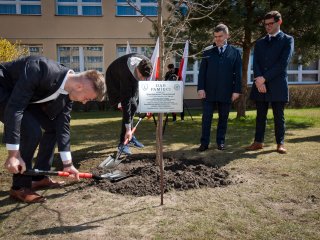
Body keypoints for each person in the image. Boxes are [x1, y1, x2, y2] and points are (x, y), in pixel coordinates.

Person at [0, 55, 106, 203]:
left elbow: (63, 127)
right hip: (3, 89)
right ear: (80, 86)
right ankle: (19, 187)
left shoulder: (68, 93)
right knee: (32, 131)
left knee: (53, 128)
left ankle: (39, 178)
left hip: (24, 97)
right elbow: (15, 107)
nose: (84, 102)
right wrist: (13, 154)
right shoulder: (40, 69)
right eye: (87, 98)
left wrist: (68, 164)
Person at [246, 11, 294, 154]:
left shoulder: (288, 40)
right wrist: (259, 81)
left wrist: (264, 78)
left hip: (277, 84)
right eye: (265, 24)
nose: (267, 27)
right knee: (260, 115)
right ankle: (258, 142)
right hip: (261, 85)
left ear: (279, 22)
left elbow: (282, 64)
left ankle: (280, 143)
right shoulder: (260, 42)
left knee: (279, 116)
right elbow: (257, 63)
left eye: (270, 24)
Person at [197, 23, 242, 152]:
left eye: (220, 36)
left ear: (227, 35)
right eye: (215, 36)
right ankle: (204, 143)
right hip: (208, 92)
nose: (217, 39)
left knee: (223, 119)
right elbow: (202, 73)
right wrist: (201, 88)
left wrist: (236, 90)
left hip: (226, 92)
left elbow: (238, 74)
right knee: (206, 119)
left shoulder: (235, 53)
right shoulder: (207, 52)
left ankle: (220, 142)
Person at [105, 53, 152, 155]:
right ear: (137, 70)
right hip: (114, 80)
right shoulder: (125, 73)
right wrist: (128, 129)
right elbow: (126, 103)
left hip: (130, 76)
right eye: (142, 77)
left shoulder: (146, 63)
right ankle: (123, 142)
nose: (143, 80)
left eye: (145, 77)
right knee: (129, 106)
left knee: (134, 105)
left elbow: (145, 83)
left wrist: (149, 104)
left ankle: (130, 137)